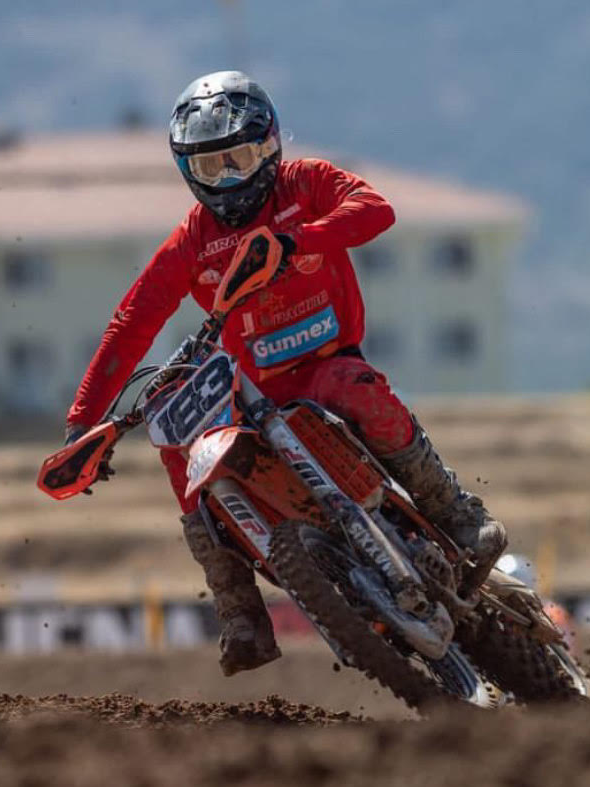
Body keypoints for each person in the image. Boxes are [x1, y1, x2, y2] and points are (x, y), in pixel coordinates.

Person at [64, 70, 507, 676]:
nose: (228, 180)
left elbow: (375, 211)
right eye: (210, 167)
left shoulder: (307, 182)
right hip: (255, 391)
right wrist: (82, 423)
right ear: (188, 172)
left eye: (239, 160)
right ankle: (240, 611)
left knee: (356, 391)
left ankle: (457, 511)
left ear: (270, 146)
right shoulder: (191, 242)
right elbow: (129, 326)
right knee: (177, 442)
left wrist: (298, 241)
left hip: (327, 365)